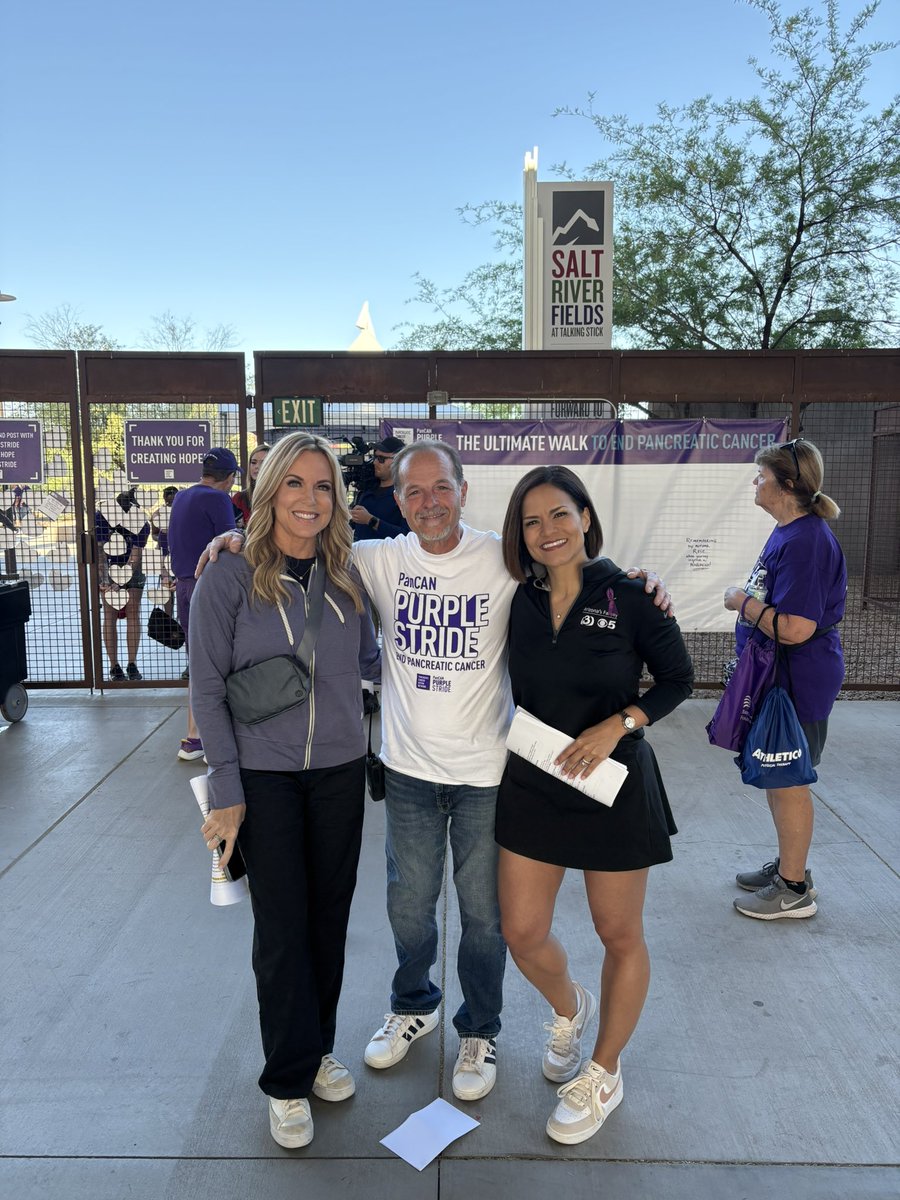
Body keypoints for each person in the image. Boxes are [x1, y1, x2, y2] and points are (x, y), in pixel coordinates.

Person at [200, 439, 672, 1103]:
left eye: (441, 489)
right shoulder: (372, 560)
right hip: (411, 774)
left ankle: (480, 1028)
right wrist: (231, 537)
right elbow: (296, 544)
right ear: (397, 501)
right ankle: (413, 1003)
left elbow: (572, 567)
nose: (429, 503)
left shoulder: (502, 561)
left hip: (488, 775)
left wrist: (643, 583)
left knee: (486, 919)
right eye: (415, 492)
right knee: (409, 909)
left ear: (463, 491)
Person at [189, 432, 380, 1150]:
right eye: (294, 484)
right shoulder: (229, 577)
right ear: (270, 491)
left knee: (328, 920)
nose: (309, 499)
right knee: (281, 928)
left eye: (322, 486)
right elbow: (207, 690)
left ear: (336, 498)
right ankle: (286, 1078)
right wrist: (226, 786)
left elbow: (369, 659)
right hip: (262, 779)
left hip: (337, 771)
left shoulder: (349, 575)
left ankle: (316, 1045)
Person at [495, 466, 693, 1145]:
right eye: (531, 521)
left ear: (584, 516)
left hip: (612, 789)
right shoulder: (515, 597)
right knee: (520, 932)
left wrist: (621, 723)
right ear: (518, 536)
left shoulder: (632, 595)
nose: (546, 531)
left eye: (559, 515)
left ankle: (604, 1071)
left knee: (619, 935)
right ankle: (569, 1007)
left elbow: (678, 679)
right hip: (532, 785)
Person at [724, 438, 846, 920]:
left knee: (790, 777)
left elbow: (797, 627)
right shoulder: (789, 532)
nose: (756, 483)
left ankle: (793, 888)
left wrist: (742, 603)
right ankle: (787, 868)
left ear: (787, 485)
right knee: (779, 773)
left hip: (799, 678)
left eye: (762, 477)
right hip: (782, 677)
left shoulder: (806, 542)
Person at [168, 448, 241, 759]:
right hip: (208, 586)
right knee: (219, 663)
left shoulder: (182, 496)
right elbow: (231, 542)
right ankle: (210, 739)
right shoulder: (218, 498)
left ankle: (193, 736)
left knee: (199, 662)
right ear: (230, 477)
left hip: (184, 585)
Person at [95, 487, 150, 682]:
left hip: (131, 569)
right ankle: (114, 666)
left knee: (132, 612)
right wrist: (104, 579)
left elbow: (136, 555)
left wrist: (121, 580)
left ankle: (132, 663)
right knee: (109, 614)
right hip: (109, 566)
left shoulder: (140, 521)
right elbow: (99, 551)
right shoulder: (101, 517)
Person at [349, 436, 409, 541]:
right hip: (360, 554)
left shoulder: (405, 495)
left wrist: (371, 521)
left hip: (388, 556)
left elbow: (406, 536)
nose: (375, 462)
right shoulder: (367, 489)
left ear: (398, 462)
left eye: (381, 459)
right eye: (375, 457)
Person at [232, 443, 271, 527]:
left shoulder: (281, 497)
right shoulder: (239, 498)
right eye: (253, 462)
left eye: (263, 462)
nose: (257, 466)